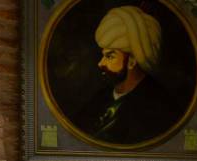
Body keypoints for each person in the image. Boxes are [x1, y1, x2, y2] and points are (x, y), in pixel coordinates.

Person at [73, 6, 177, 145]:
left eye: (110, 56)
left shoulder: (159, 106)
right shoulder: (100, 97)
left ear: (132, 61)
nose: (100, 63)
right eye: (103, 55)